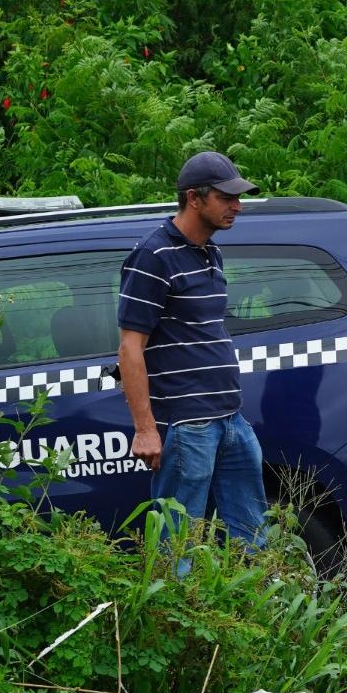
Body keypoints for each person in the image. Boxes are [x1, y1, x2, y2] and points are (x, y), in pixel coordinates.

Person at [118, 151, 269, 548]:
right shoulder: (152, 256)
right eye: (226, 197)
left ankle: (259, 592)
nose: (237, 206)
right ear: (193, 198)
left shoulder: (210, 251)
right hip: (187, 424)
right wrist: (146, 430)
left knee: (254, 535)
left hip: (230, 417)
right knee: (176, 543)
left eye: (238, 197)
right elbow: (130, 347)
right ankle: (171, 592)